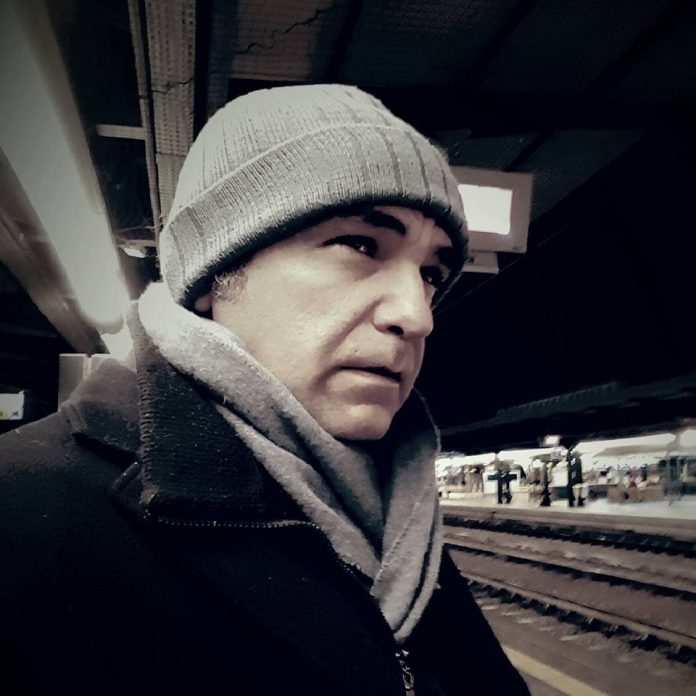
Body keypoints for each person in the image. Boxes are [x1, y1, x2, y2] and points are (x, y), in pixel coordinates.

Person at [0, 84, 528, 695]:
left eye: (431, 273)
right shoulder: (24, 512)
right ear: (214, 277)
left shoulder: (399, 520)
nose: (417, 315)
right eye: (360, 245)